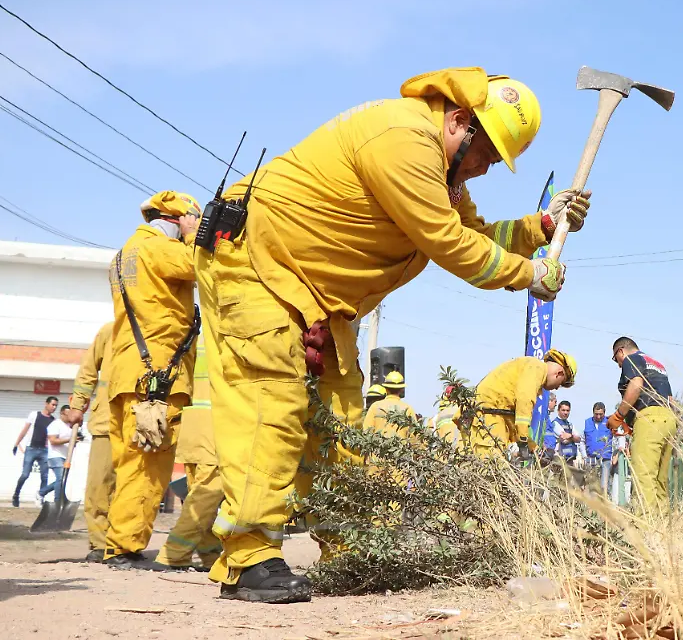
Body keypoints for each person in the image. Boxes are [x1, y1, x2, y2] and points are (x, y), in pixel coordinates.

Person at [194, 68, 590, 604]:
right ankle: (246, 555)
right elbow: (448, 243)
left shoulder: (444, 174)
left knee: (343, 425)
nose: (487, 169)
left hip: (317, 295)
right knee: (272, 404)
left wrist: (539, 229)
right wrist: (529, 274)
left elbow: (475, 233)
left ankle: (349, 547)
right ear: (460, 121)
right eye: (488, 155)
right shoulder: (403, 139)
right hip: (259, 264)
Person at [104, 190, 202, 571]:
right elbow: (204, 266)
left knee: (129, 461)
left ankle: (115, 543)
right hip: (156, 373)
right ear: (178, 220)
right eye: (189, 221)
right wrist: (196, 236)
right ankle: (125, 548)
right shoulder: (160, 249)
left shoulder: (125, 253)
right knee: (149, 463)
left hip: (128, 370)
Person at [155, 335, 223, 572]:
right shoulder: (231, 337)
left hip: (195, 424)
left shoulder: (200, 339)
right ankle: (173, 554)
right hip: (216, 427)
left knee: (200, 496)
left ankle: (211, 555)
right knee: (207, 494)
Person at [608, 337, 676, 512]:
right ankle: (663, 525)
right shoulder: (658, 365)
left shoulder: (631, 359)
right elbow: (670, 400)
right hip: (668, 419)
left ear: (621, 351)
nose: (618, 364)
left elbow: (636, 385)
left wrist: (619, 415)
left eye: (616, 359)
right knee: (661, 480)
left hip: (648, 419)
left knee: (644, 477)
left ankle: (646, 529)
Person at [67, 321, 115, 562]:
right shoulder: (110, 331)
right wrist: (77, 405)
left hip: (145, 424)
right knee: (100, 486)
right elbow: (87, 371)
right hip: (107, 420)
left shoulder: (160, 331)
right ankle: (100, 543)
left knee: (134, 488)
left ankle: (124, 543)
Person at [471, 350, 577, 459]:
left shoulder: (529, 370)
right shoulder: (536, 368)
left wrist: (533, 448)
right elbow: (524, 404)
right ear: (559, 373)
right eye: (560, 384)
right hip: (486, 418)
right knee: (491, 466)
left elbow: (512, 419)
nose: (556, 388)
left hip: (487, 416)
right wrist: (523, 442)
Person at [11, 396, 57, 507]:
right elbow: (25, 430)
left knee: (44, 476)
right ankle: (16, 495)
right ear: (46, 404)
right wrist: (16, 443)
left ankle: (40, 498)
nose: (54, 407)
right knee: (25, 474)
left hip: (44, 451)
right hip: (31, 448)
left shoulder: (53, 420)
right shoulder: (34, 415)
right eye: (52, 404)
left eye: (56, 405)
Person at [42, 405, 82, 501]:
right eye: (67, 415)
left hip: (66, 456)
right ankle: (57, 501)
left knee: (62, 480)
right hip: (55, 456)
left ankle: (41, 493)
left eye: (70, 415)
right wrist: (70, 439)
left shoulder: (70, 426)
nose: (69, 417)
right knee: (61, 479)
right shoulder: (55, 425)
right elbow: (53, 441)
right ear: (61, 414)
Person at [363, 371, 419, 436]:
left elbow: (366, 432)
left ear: (385, 389)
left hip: (378, 446)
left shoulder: (375, 407)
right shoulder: (408, 409)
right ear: (402, 389)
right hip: (401, 446)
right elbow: (414, 437)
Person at [583, 402, 613, 494]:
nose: (599, 416)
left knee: (604, 485)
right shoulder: (587, 422)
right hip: (591, 458)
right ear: (593, 413)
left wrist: (617, 452)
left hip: (605, 458)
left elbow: (618, 436)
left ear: (604, 412)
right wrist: (584, 455)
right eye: (596, 414)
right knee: (592, 485)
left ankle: (604, 503)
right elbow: (582, 440)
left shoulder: (610, 421)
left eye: (601, 414)